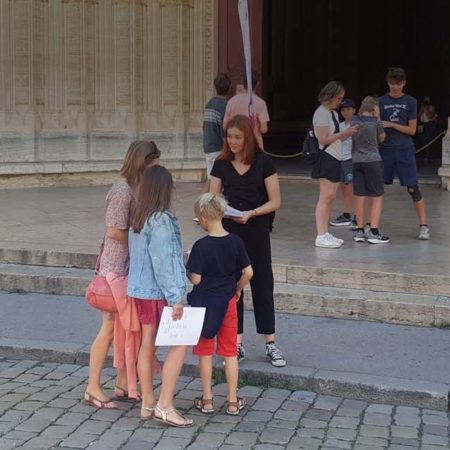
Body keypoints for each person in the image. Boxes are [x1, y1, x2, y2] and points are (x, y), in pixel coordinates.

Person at [84, 141, 160, 409]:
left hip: (131, 268)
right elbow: (114, 231)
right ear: (142, 163)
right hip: (114, 270)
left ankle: (121, 383)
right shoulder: (122, 191)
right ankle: (93, 386)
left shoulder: (141, 190)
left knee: (125, 329)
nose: (156, 170)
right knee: (108, 327)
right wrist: (146, 239)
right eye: (153, 165)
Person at [210, 115, 285, 367]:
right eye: (229, 137)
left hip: (257, 227)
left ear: (248, 138)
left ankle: (270, 343)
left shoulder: (264, 162)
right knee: (234, 287)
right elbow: (212, 197)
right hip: (230, 230)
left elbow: (275, 200)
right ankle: (237, 342)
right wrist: (214, 213)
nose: (233, 142)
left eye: (238, 137)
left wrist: (251, 213)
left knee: (262, 283)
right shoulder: (221, 164)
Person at [127, 165, 192, 427]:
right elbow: (163, 261)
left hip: (142, 291)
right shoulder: (160, 220)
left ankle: (148, 403)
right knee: (180, 343)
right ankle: (165, 405)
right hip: (158, 293)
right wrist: (177, 297)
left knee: (147, 345)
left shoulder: (138, 219)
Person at [187, 193, 253, 416]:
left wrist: (188, 264)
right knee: (229, 352)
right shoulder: (235, 241)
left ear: (203, 218)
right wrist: (237, 288)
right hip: (228, 303)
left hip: (204, 305)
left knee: (205, 352)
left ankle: (207, 400)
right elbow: (249, 272)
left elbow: (195, 279)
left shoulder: (201, 246)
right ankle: (233, 401)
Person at [379, 67, 430, 240]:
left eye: (398, 84)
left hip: (404, 149)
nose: (395, 87)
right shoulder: (380, 101)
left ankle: (424, 225)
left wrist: (391, 125)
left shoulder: (410, 101)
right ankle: (369, 224)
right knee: (376, 187)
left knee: (412, 188)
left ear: (404, 83)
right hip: (385, 150)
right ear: (388, 83)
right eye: (392, 83)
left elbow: (412, 130)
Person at [312, 81, 360, 248]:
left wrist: (347, 133)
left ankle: (325, 232)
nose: (340, 102)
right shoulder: (321, 113)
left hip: (334, 157)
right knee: (325, 197)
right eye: (339, 98)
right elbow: (323, 139)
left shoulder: (330, 113)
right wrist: (345, 132)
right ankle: (320, 234)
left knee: (331, 196)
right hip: (326, 157)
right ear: (330, 96)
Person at [351, 96, 389, 244]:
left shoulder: (354, 121)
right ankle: (374, 231)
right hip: (373, 161)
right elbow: (382, 138)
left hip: (356, 161)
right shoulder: (376, 122)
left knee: (359, 196)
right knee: (376, 196)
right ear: (374, 109)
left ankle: (360, 230)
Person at [224, 70, 270, 150]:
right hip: (254, 144)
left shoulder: (231, 101)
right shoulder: (260, 103)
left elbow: (225, 125)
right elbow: (264, 129)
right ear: (257, 84)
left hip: (235, 144)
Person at [202, 73, 231, 194]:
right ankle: (207, 205)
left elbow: (204, 126)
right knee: (217, 180)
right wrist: (226, 150)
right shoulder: (224, 106)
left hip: (208, 146)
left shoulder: (209, 104)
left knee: (211, 177)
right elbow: (224, 131)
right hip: (218, 148)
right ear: (229, 89)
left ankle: (202, 204)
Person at [330, 99, 357, 229]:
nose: (346, 112)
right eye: (343, 110)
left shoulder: (357, 125)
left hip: (350, 160)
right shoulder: (339, 126)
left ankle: (354, 216)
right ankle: (347, 215)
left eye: (348, 109)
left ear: (354, 110)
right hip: (339, 159)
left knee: (349, 189)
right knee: (343, 188)